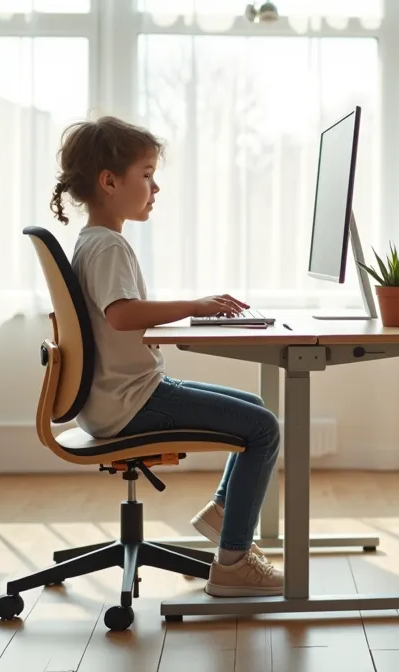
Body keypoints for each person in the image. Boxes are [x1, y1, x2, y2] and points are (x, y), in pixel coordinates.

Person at [49, 116, 283, 597]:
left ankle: (224, 516)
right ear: (109, 181)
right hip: (133, 403)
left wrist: (190, 313)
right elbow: (122, 314)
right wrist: (196, 307)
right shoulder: (108, 246)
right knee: (265, 429)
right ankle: (234, 563)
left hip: (120, 397)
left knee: (257, 413)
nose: (156, 187)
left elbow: (120, 315)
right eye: (147, 174)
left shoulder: (94, 242)